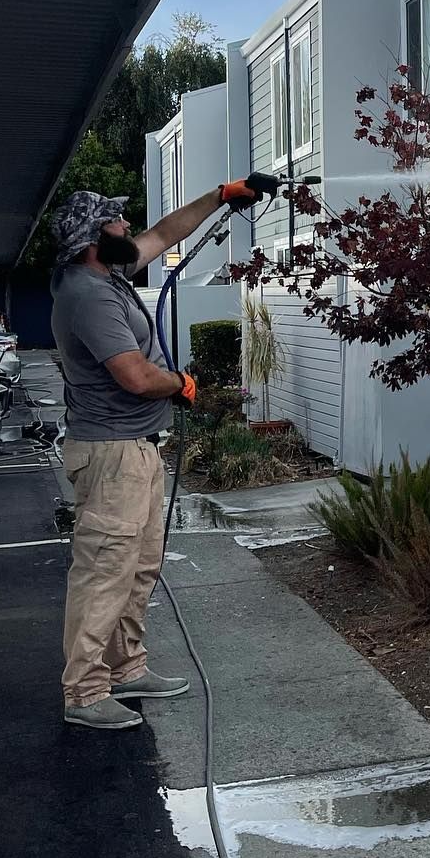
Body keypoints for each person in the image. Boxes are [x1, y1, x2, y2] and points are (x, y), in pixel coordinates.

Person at [50, 176, 277, 730]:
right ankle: (83, 692)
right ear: (91, 240)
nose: (126, 226)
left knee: (139, 566)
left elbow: (161, 233)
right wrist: (180, 383)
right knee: (105, 571)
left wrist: (222, 196)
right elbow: (133, 376)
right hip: (111, 456)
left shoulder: (111, 273)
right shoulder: (87, 294)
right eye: (114, 221)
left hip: (136, 451)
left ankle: (127, 668)